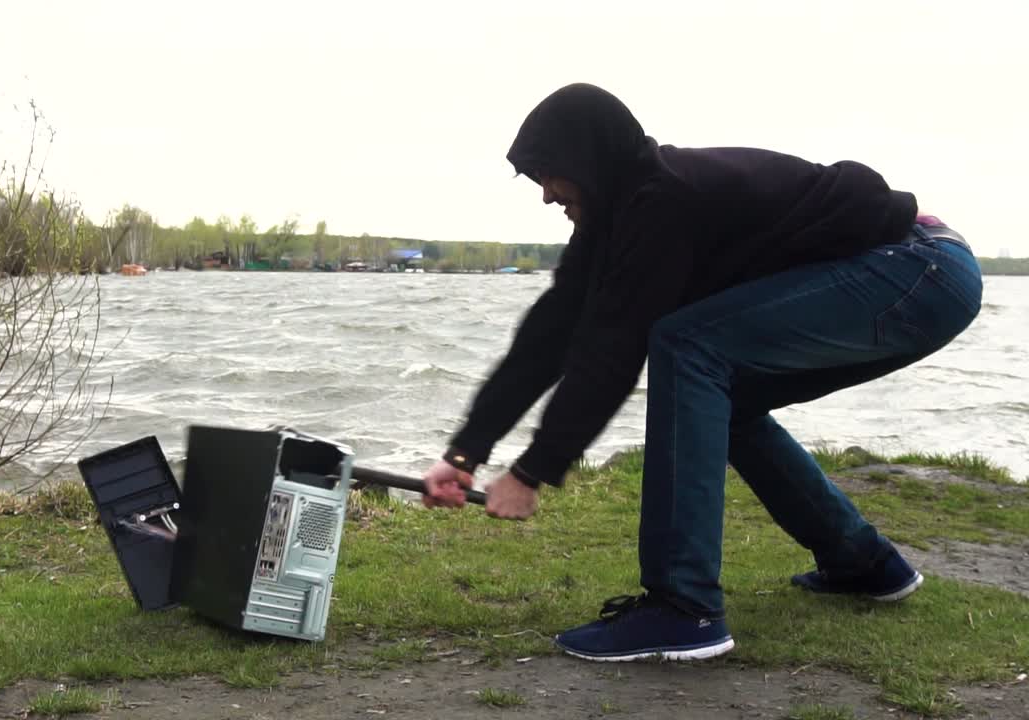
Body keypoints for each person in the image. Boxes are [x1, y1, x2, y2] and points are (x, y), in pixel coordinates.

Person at [421, 83, 983, 662]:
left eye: (551, 175)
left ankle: (683, 608)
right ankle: (863, 564)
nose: (546, 195)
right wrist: (466, 452)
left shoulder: (664, 201)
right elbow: (551, 334)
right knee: (721, 395)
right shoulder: (618, 219)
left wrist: (532, 471)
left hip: (918, 268)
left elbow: (613, 354)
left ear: (589, 160)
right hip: (919, 276)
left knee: (685, 344)